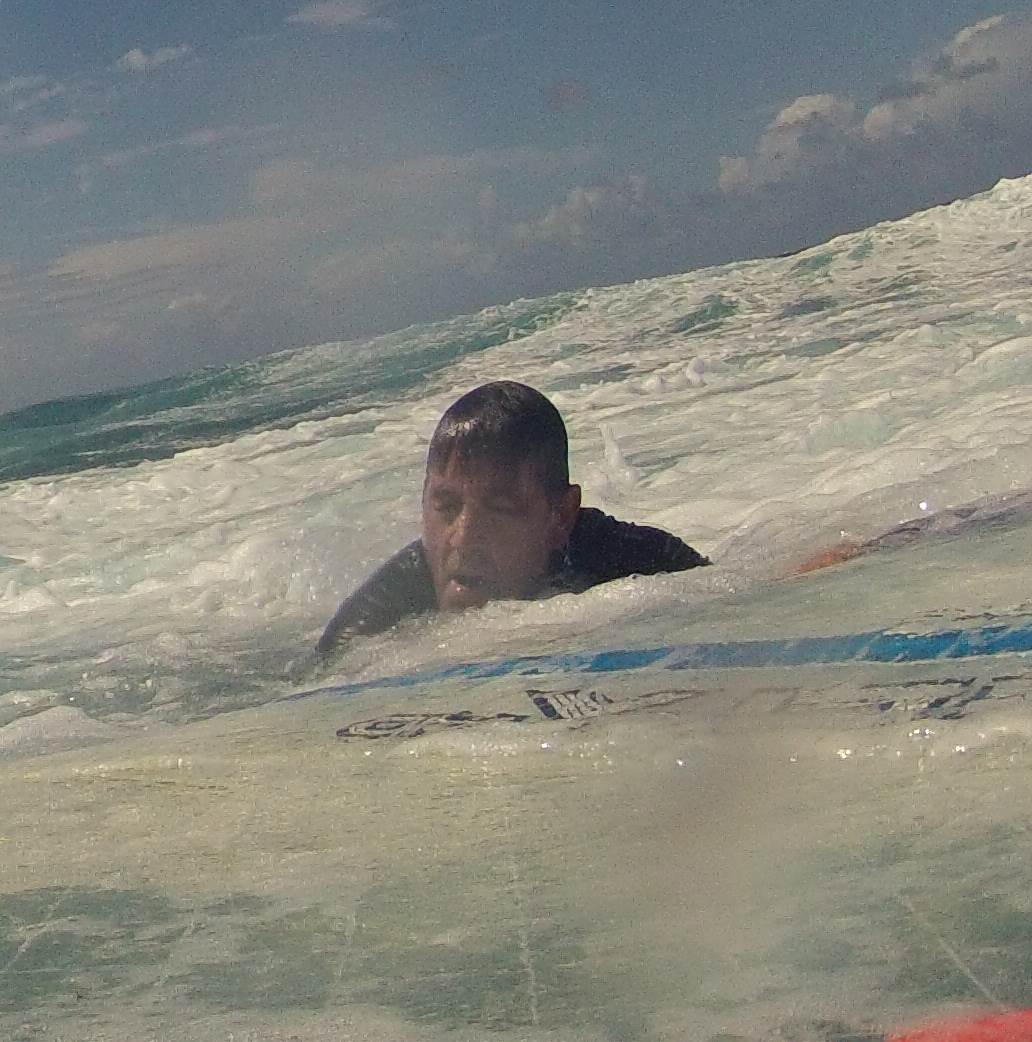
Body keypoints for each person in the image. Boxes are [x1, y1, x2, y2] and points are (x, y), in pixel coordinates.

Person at [316, 380, 709, 658]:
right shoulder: (377, 618)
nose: (464, 538)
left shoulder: (636, 562)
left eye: (500, 509)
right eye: (446, 506)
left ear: (561, 517)